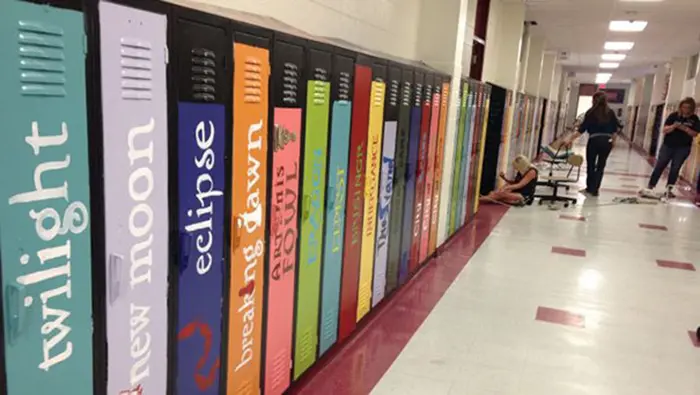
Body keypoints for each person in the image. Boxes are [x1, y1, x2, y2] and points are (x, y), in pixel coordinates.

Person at [565, 91, 620, 197]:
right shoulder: (610, 112)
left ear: (594, 100)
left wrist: (570, 139)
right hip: (606, 141)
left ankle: (589, 188)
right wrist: (613, 143)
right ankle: (596, 189)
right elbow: (614, 130)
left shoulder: (590, 112)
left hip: (594, 140)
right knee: (601, 166)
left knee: (591, 165)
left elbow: (582, 129)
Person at [642, 97, 699, 198]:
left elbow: (694, 133)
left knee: (675, 168)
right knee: (660, 165)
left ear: (692, 108)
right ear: (681, 107)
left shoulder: (694, 119)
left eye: (688, 107)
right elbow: (664, 129)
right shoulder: (673, 116)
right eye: (684, 107)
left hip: (683, 148)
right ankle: (650, 186)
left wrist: (685, 128)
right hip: (668, 146)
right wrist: (673, 126)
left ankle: (669, 190)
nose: (685, 109)